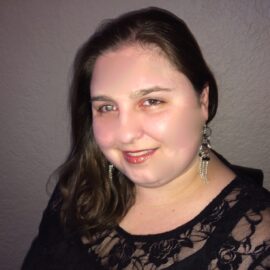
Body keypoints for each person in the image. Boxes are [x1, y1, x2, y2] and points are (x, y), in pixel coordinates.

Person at [22, 7, 270, 270]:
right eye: (106, 107)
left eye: (151, 101)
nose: (126, 134)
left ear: (203, 101)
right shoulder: (77, 189)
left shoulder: (257, 245)